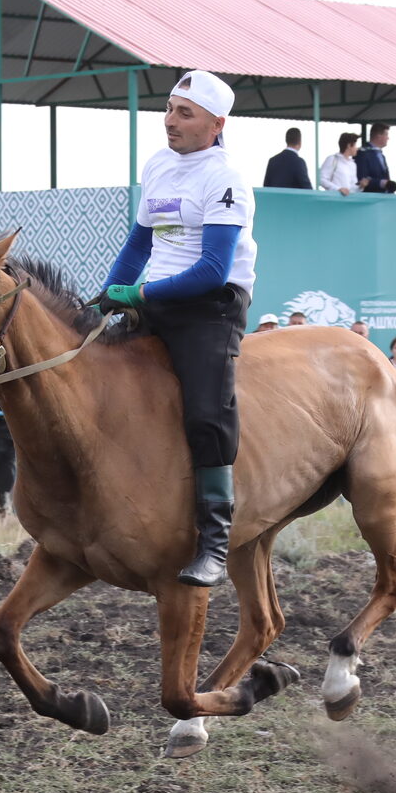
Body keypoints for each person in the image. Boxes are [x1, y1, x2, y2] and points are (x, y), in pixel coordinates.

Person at [95, 68, 256, 587]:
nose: (170, 121)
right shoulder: (158, 165)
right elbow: (138, 244)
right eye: (168, 108)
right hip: (157, 298)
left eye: (184, 113)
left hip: (211, 305)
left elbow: (212, 269)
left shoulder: (225, 177)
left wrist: (137, 295)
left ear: (216, 124)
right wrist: (105, 296)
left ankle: (213, 541)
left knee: (207, 411)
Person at [356, 124, 395, 193]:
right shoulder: (363, 153)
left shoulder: (381, 154)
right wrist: (381, 183)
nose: (388, 138)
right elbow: (361, 178)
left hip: (383, 197)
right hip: (369, 198)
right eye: (386, 135)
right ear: (379, 136)